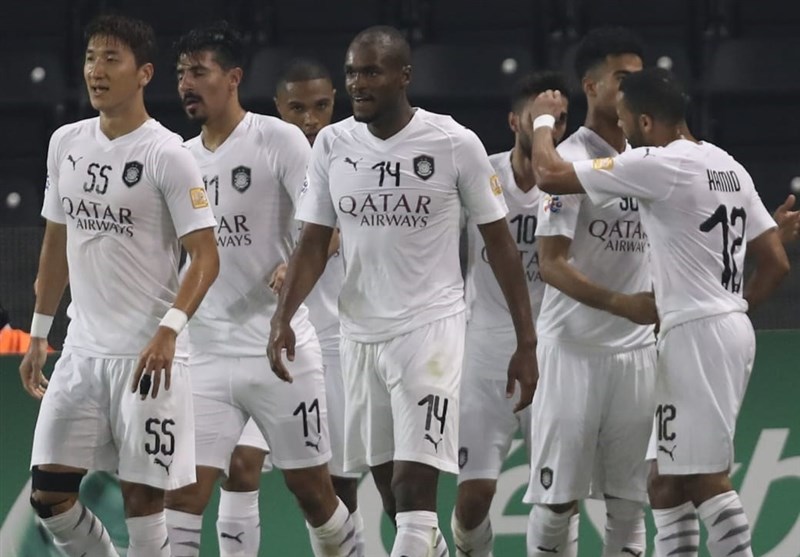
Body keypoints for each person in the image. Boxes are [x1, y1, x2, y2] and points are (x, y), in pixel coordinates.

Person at [269, 25, 538, 557]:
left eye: (372, 72)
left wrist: (525, 341)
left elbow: (501, 247)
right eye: (352, 73)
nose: (358, 83)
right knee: (395, 498)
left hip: (430, 332)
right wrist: (283, 316)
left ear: (404, 76)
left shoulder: (453, 142)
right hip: (360, 335)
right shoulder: (333, 144)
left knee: (414, 493)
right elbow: (313, 242)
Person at [528, 66, 790, 557]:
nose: (623, 131)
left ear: (646, 122)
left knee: (705, 479)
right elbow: (775, 260)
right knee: (664, 483)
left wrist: (541, 122)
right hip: (714, 328)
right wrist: (732, 311)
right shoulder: (728, 165)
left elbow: (549, 176)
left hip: (696, 334)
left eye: (626, 120)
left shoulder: (658, 162)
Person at [19, 14, 220, 557]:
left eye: (111, 59)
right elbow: (56, 243)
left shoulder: (168, 154)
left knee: (143, 503)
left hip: (147, 359)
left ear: (144, 73)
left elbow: (206, 256)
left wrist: (169, 329)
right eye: (90, 58)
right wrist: (39, 332)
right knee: (49, 495)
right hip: (82, 353)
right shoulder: (66, 142)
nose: (96, 71)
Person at [163, 23, 360, 557]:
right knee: (183, 497)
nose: (186, 83)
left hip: (279, 350)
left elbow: (327, 225)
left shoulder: (278, 140)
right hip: (205, 354)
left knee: (315, 494)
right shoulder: (179, 157)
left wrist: (293, 265)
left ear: (233, 79)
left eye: (198, 72)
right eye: (180, 73)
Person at [522, 28, 656, 557]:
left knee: (629, 503)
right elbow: (551, 265)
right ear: (591, 86)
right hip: (573, 351)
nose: (632, 89)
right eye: (622, 78)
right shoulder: (571, 157)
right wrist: (623, 304)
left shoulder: (647, 161)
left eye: (639, 80)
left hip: (636, 354)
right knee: (557, 503)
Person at [450, 70, 570, 557]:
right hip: (483, 349)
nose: (550, 129)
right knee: (474, 498)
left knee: (559, 497)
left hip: (555, 349)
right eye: (539, 118)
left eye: (559, 120)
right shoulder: (483, 174)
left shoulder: (573, 180)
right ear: (514, 122)